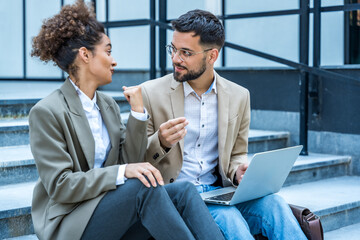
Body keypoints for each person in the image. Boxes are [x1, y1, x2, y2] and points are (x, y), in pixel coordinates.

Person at [29, 2, 224, 240]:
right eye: (108, 52)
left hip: (109, 207)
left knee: (183, 191)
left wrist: (138, 114)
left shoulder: (107, 105)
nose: (114, 61)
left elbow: (129, 161)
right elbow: (61, 186)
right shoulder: (48, 111)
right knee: (143, 186)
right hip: (71, 222)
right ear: (85, 55)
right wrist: (122, 172)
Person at [141, 9, 308, 240]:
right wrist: (160, 142)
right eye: (174, 49)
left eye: (186, 52)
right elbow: (135, 159)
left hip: (219, 191)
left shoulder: (239, 96)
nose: (175, 59)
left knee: (276, 205)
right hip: (176, 196)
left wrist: (238, 171)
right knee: (230, 218)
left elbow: (238, 153)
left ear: (212, 56)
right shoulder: (150, 93)